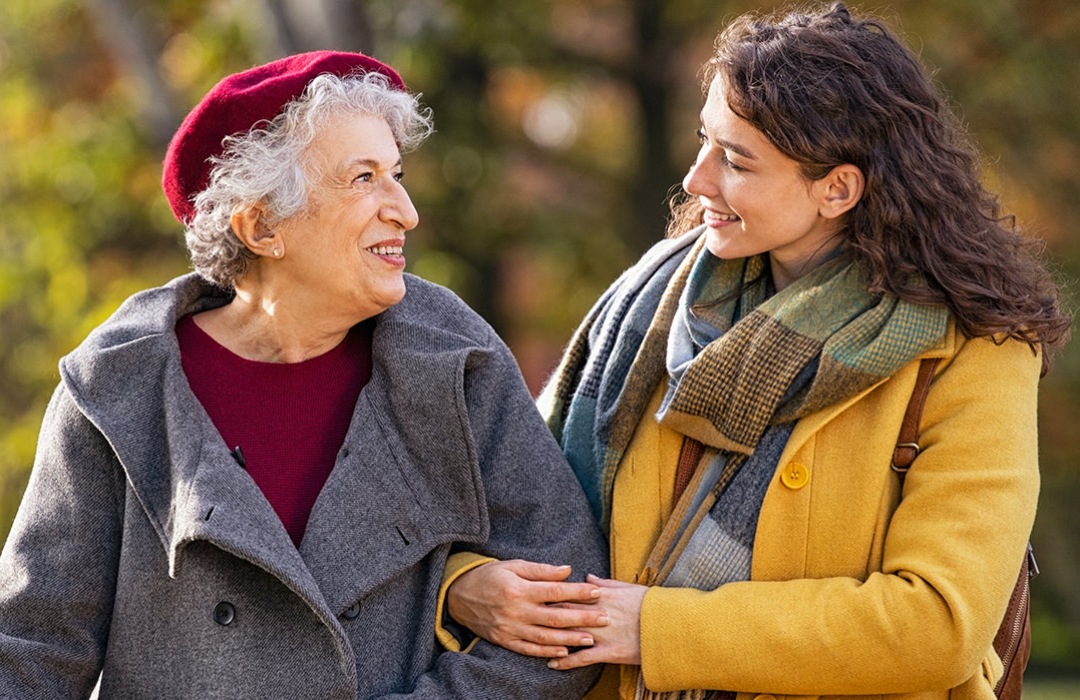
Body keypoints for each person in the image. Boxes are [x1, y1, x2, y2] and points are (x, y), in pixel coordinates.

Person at [443, 3, 1071, 699]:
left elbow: (937, 623)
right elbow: (504, 502)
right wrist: (465, 584)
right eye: (704, 143)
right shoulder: (649, 309)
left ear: (837, 188)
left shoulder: (974, 352)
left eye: (735, 161)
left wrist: (660, 631)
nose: (696, 180)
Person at [0, 50, 606, 699]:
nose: (404, 209)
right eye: (363, 178)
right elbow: (34, 649)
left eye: (396, 174)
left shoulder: (454, 360)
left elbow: (566, 610)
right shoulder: (119, 388)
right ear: (262, 226)